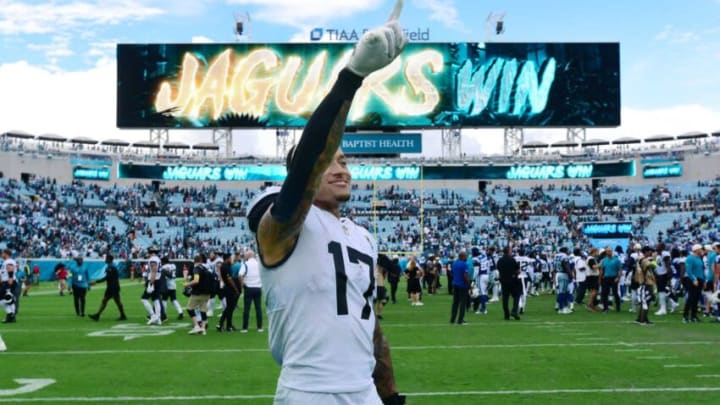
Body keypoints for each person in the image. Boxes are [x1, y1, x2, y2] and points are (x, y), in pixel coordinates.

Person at [246, 4, 407, 402]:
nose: (341, 169)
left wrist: (387, 391)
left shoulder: (363, 237)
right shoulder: (284, 226)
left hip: (363, 391)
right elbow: (309, 161)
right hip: (310, 391)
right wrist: (352, 77)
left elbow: (367, 322)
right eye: (330, 162)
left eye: (346, 161)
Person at [89, 254, 127, 321]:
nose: (105, 260)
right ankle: (122, 315)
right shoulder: (112, 266)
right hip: (114, 287)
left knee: (107, 301)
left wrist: (96, 282)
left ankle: (97, 315)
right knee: (115, 301)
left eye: (106, 258)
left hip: (112, 287)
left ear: (109, 259)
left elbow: (107, 277)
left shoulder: (110, 267)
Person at [184, 255, 212, 335]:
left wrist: (187, 284)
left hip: (198, 292)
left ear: (194, 261)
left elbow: (196, 280)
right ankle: (203, 329)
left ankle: (196, 326)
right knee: (203, 310)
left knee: (189, 309)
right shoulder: (205, 268)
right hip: (207, 293)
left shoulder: (196, 269)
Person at [240, 249, 263, 333]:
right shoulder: (258, 264)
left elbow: (240, 274)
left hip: (248, 287)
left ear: (248, 256)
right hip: (258, 287)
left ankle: (245, 328)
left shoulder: (245, 264)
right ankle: (259, 327)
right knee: (258, 308)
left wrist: (242, 284)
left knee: (246, 309)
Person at [217, 253, 240, 332]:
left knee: (230, 307)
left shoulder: (225, 265)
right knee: (229, 307)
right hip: (229, 289)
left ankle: (229, 325)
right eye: (230, 258)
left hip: (227, 288)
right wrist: (236, 289)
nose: (231, 259)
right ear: (227, 258)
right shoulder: (226, 266)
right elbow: (229, 279)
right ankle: (221, 324)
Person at [497, 246, 521, 320]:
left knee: (505, 298)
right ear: (508, 251)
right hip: (512, 280)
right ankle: (514, 311)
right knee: (516, 296)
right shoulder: (512, 259)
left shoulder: (500, 260)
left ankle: (506, 314)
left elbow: (498, 269)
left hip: (503, 281)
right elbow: (517, 270)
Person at [683, 244, 705, 323]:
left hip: (700, 279)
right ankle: (685, 316)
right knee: (691, 298)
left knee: (696, 298)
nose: (701, 250)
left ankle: (693, 316)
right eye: (700, 249)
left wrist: (703, 280)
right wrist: (694, 279)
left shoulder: (699, 258)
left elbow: (701, 270)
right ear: (696, 250)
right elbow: (689, 270)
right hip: (693, 280)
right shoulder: (690, 258)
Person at [635, 246, 657, 325]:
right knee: (646, 302)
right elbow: (652, 266)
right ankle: (642, 320)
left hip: (643, 282)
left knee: (645, 301)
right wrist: (654, 259)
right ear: (646, 252)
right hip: (646, 282)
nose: (651, 253)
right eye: (649, 251)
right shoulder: (644, 260)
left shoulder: (640, 259)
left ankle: (641, 318)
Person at [450, 250, 470, 325]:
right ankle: (460, 320)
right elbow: (466, 276)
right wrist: (469, 285)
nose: (466, 257)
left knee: (455, 302)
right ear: (462, 256)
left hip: (455, 284)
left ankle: (452, 319)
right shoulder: (464, 264)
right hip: (462, 285)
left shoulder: (454, 263)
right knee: (462, 303)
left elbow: (452, 273)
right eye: (465, 256)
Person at [600, 246, 622, 313]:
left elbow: (619, 270)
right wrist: (600, 278)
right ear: (606, 252)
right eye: (607, 251)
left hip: (614, 278)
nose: (608, 252)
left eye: (609, 251)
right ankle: (605, 308)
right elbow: (602, 270)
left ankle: (618, 307)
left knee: (615, 293)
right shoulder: (604, 260)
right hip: (606, 278)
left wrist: (618, 277)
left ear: (612, 252)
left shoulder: (616, 260)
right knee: (604, 293)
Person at [1, 249, 17, 323]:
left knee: (4, 300)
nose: (1, 254)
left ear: (6, 254)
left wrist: (10, 280)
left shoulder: (9, 261)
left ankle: (10, 314)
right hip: (7, 282)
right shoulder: (6, 262)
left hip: (8, 282)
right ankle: (11, 316)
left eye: (3, 253)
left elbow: (10, 268)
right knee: (9, 300)